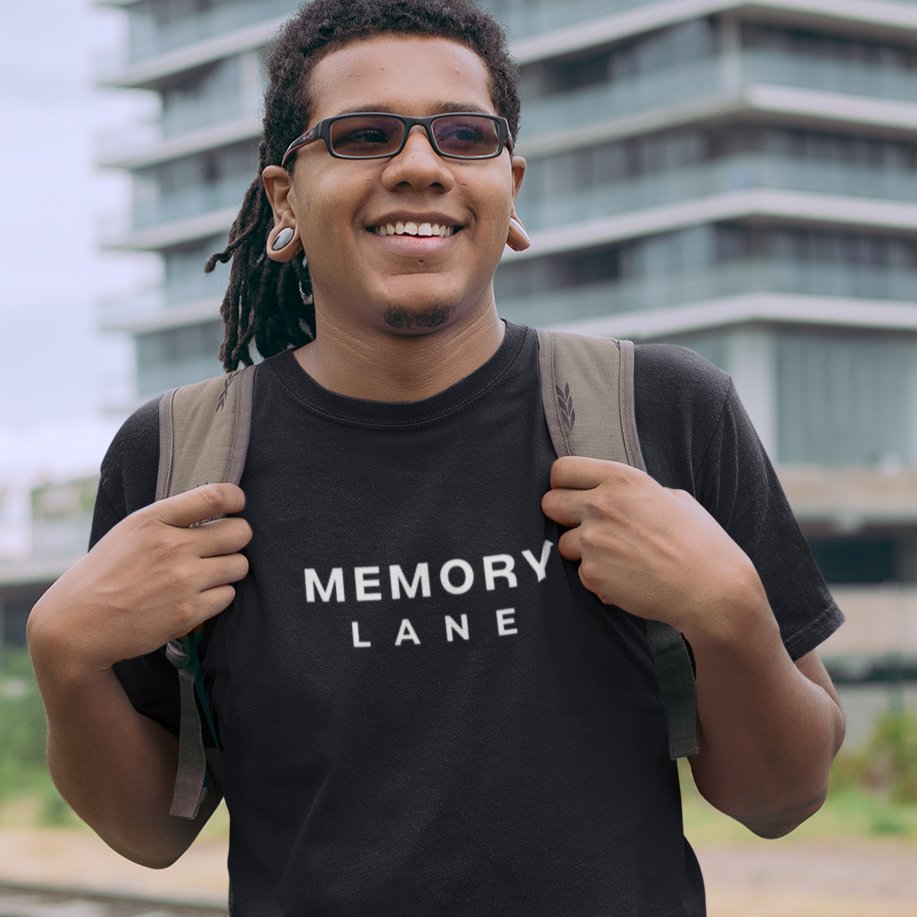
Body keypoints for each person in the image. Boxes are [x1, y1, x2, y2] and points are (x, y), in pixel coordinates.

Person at [28, 0, 846, 913]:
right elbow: (152, 830)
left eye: (464, 135)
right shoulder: (179, 458)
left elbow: (780, 800)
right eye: (363, 135)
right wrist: (62, 656)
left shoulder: (665, 411)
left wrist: (729, 611)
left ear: (510, 186)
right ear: (284, 199)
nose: (420, 166)